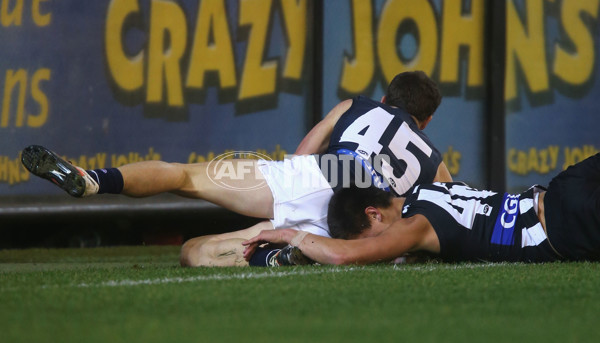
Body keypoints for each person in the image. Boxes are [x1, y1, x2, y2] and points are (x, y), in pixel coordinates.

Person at [21, 71, 452, 267]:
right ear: (426, 121)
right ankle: (278, 255)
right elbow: (444, 208)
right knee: (199, 253)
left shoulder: (356, 107)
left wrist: (286, 186)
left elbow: (303, 154)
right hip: (358, 222)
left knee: (184, 180)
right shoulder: (434, 159)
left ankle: (94, 181)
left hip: (323, 175)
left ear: (384, 100)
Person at [243, 153, 600, 264]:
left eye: (371, 236)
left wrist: (289, 234)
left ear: (374, 213)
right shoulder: (427, 188)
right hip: (559, 190)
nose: (383, 252)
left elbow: (345, 255)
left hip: (564, 225)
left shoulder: (415, 225)